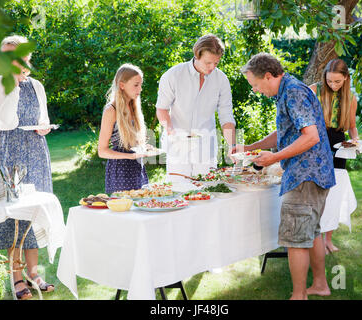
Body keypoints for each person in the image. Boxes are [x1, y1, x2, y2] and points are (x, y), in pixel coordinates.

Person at [234, 53, 336, 300]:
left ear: (268, 76)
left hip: (305, 175)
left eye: (256, 85)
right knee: (311, 233)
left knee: (295, 239)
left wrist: (275, 157)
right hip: (315, 173)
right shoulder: (289, 89)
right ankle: (320, 285)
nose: (256, 90)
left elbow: (310, 136)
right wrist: (250, 147)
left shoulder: (292, 92)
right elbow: (286, 131)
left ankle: (298, 296)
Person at [0, 35, 54, 299]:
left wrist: (45, 127)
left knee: (34, 210)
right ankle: (16, 277)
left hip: (36, 150)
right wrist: (13, 81)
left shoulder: (37, 85)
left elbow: (42, 117)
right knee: (14, 213)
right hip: (9, 152)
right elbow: (4, 121)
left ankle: (33, 272)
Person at [156, 34, 236, 181]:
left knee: (208, 191)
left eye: (216, 63)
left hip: (206, 145)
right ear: (197, 55)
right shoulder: (173, 75)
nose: (212, 67)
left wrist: (232, 145)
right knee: (179, 192)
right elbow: (162, 109)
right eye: (208, 63)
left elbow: (226, 116)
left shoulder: (221, 80)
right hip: (177, 145)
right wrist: (172, 132)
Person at [309, 59, 358, 254]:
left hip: (339, 145)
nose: (333, 85)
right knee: (318, 192)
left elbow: (352, 127)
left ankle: (328, 240)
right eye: (330, 81)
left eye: (338, 82)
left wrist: (356, 142)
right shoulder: (314, 90)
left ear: (346, 78)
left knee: (335, 194)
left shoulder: (350, 98)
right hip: (316, 142)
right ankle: (318, 239)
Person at [98, 64, 148, 194]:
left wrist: (145, 148)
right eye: (136, 85)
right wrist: (130, 157)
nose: (140, 89)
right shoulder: (111, 110)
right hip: (121, 171)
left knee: (141, 208)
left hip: (137, 167)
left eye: (141, 85)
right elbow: (102, 151)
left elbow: (132, 142)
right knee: (124, 210)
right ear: (122, 85)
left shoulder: (134, 106)